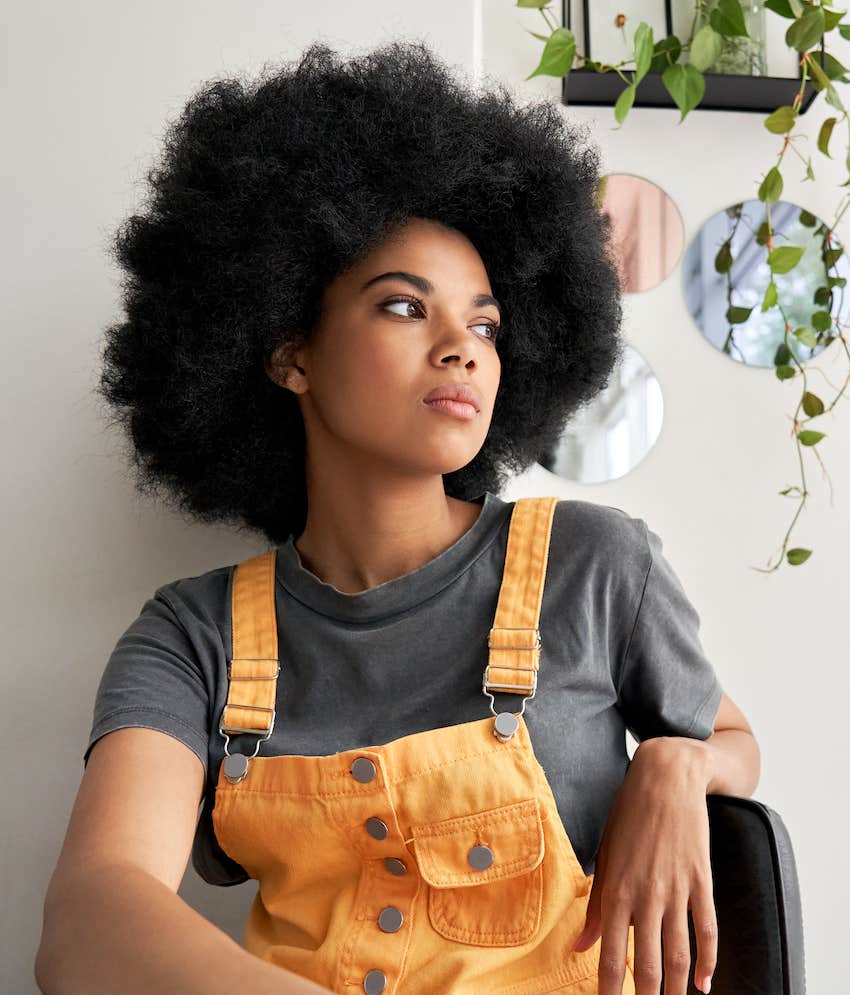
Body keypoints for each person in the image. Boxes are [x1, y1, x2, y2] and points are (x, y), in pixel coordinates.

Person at [36, 39, 759, 995]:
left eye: (488, 324)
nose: (464, 347)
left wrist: (674, 760)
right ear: (289, 354)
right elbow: (91, 918)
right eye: (404, 308)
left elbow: (733, 742)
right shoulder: (194, 635)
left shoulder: (594, 563)